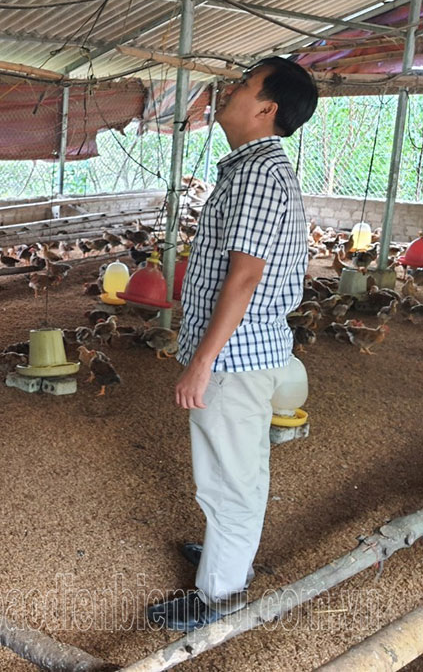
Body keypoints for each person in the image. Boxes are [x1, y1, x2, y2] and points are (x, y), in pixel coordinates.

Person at [146, 57, 318, 631]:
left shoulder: (260, 175)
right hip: (241, 353)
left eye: (244, 85)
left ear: (266, 109)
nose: (231, 90)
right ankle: (228, 555)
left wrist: (201, 362)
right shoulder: (249, 169)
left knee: (230, 480)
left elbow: (244, 276)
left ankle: (219, 595)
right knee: (234, 469)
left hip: (235, 358)